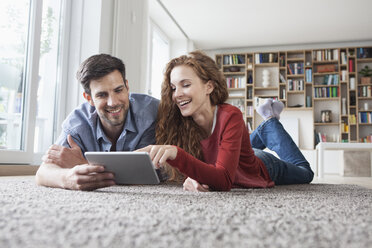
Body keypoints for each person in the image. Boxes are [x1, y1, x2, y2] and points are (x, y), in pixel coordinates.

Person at [138, 50, 314, 192]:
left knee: (305, 173)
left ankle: (269, 123)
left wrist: (177, 154)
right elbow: (200, 165)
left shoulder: (230, 115)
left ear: (209, 86)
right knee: (235, 146)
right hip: (229, 154)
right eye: (174, 88)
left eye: (186, 85)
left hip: (261, 165)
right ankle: (261, 132)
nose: (177, 94)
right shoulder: (178, 122)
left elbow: (224, 180)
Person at [35, 54, 159, 191]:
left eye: (118, 90)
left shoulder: (151, 113)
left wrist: (82, 164)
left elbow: (143, 175)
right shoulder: (77, 123)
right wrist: (66, 177)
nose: (113, 102)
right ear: (89, 98)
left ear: (127, 87)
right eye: (102, 95)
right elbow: (43, 173)